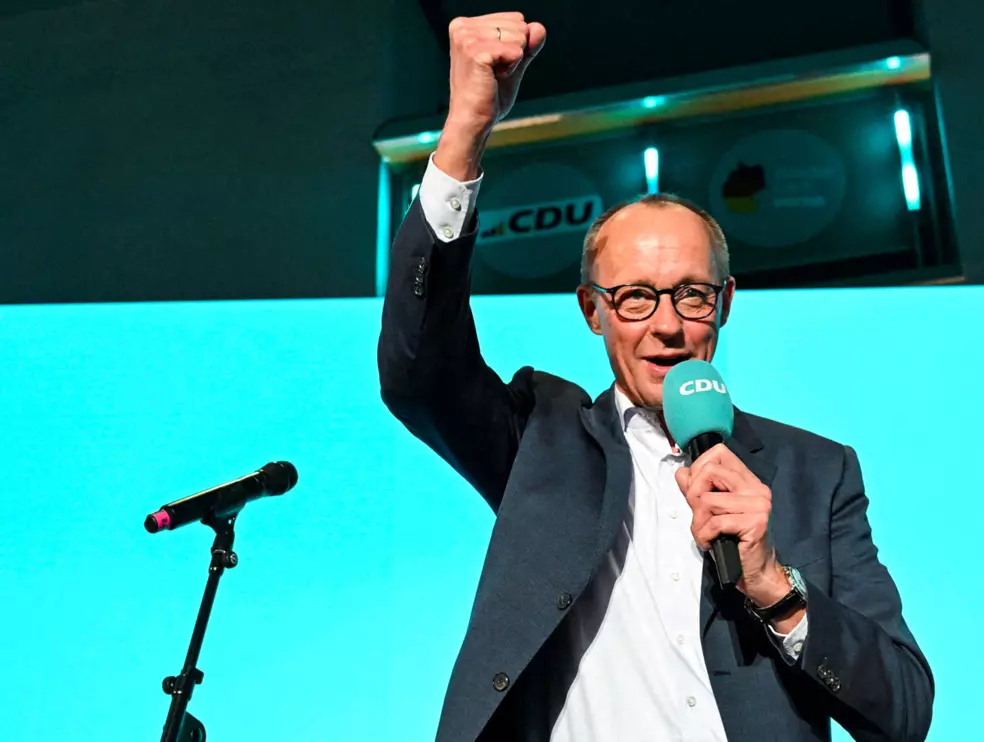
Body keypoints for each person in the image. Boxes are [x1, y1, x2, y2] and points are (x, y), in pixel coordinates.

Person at [377, 11, 934, 742]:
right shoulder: (539, 440)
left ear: (724, 304)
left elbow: (902, 710)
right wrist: (465, 132)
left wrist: (774, 585)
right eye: (634, 297)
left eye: (691, 295)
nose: (666, 324)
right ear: (592, 312)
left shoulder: (814, 471)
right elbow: (420, 367)